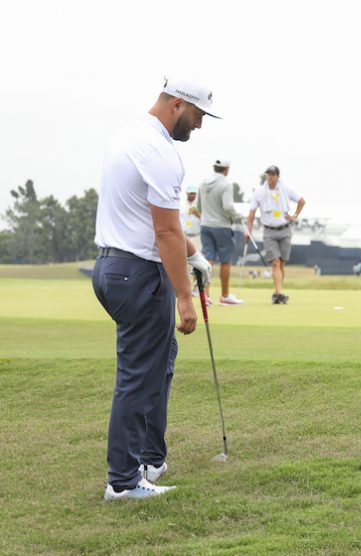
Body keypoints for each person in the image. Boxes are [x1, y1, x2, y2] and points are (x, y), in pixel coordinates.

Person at [92, 76, 215, 500]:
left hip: (112, 268)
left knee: (157, 361)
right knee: (138, 377)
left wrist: (194, 255)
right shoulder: (160, 151)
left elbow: (165, 223)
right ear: (178, 104)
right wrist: (184, 296)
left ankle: (149, 457)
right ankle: (124, 483)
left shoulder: (129, 136)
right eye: (198, 116)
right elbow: (164, 232)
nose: (199, 126)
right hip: (138, 273)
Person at [245, 165, 305, 304]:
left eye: (272, 175)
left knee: (282, 263)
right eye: (268, 174)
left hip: (285, 230)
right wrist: (249, 229)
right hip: (269, 232)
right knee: (275, 263)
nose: (270, 177)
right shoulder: (259, 192)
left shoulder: (286, 190)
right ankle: (279, 293)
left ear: (278, 176)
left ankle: (278, 292)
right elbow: (252, 212)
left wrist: (295, 215)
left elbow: (302, 201)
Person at [198, 159, 244, 306]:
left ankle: (206, 296)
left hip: (205, 225)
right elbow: (228, 206)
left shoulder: (203, 182)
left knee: (207, 259)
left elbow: (200, 205)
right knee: (225, 260)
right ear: (226, 169)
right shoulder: (226, 184)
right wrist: (237, 216)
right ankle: (224, 296)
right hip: (222, 226)